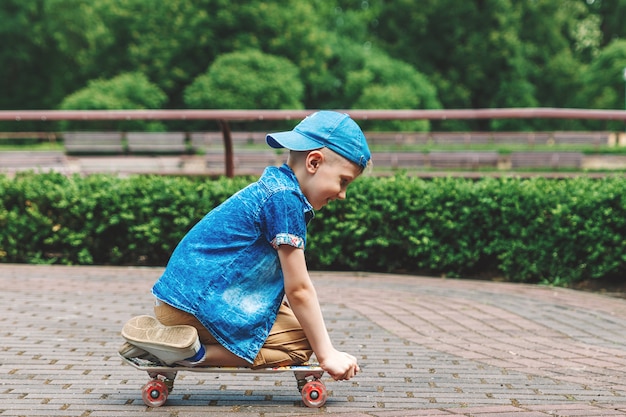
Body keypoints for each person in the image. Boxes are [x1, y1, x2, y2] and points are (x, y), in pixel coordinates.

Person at [120, 110, 370, 381]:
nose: (343, 194)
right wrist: (327, 354)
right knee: (303, 344)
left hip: (184, 300)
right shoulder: (286, 201)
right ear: (314, 162)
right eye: (343, 181)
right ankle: (187, 352)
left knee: (308, 330)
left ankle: (167, 341)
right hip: (199, 308)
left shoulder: (275, 189)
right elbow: (298, 289)